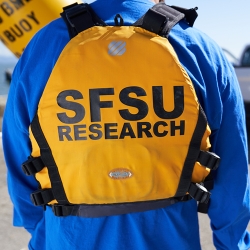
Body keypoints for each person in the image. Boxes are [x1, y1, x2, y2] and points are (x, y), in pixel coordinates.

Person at [2, 0, 250, 249]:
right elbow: (233, 177)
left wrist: (45, 235)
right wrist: (233, 244)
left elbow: (20, 166)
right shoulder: (199, 49)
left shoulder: (43, 47)